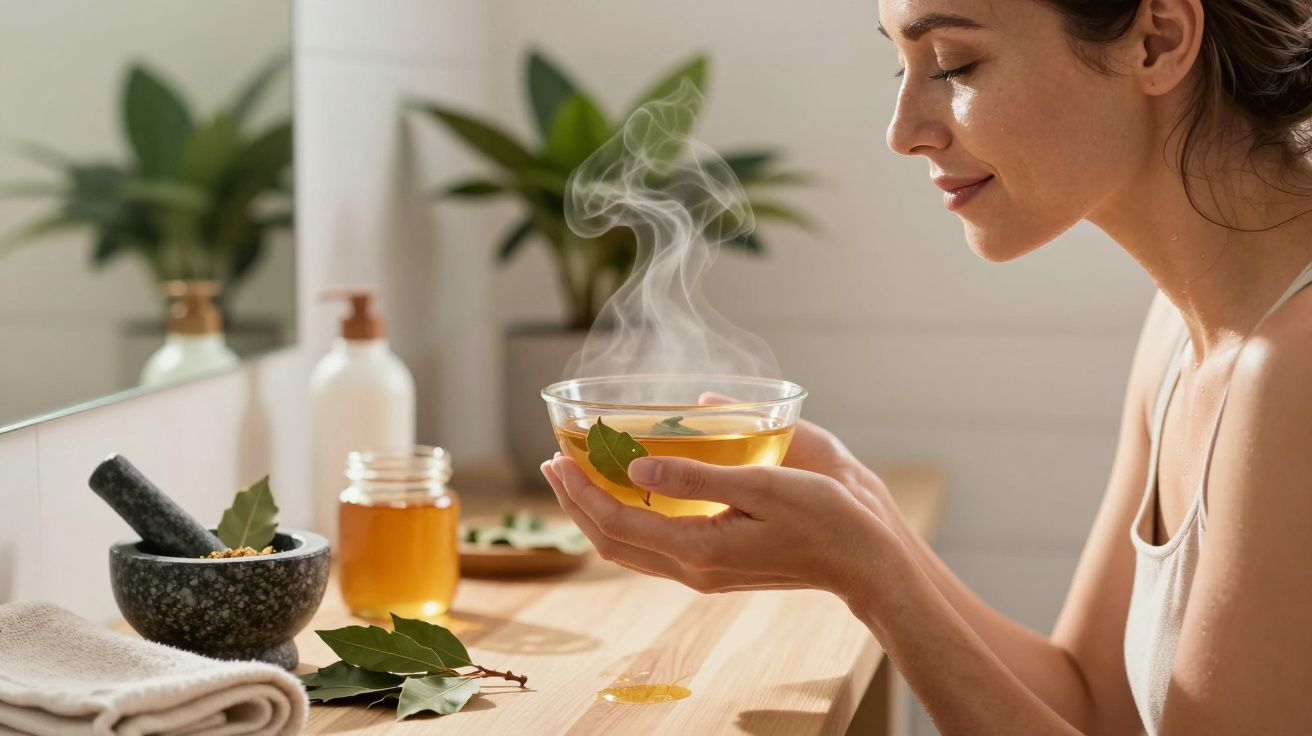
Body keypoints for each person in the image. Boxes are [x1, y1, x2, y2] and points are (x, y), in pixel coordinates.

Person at [540, 0, 1312, 733]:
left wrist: (872, 578)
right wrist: (866, 513)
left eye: (953, 63)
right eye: (900, 67)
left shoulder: (1294, 370)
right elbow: (1094, 706)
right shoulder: (1184, 331)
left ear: (1158, 40)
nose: (903, 131)